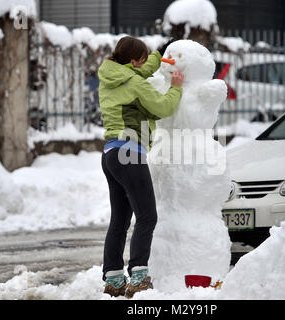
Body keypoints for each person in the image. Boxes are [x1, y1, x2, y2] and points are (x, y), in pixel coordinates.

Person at [98, 36, 184, 298]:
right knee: (147, 217)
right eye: (143, 59)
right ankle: (138, 276)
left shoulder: (111, 74)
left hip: (110, 154)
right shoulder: (134, 82)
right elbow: (163, 107)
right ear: (134, 61)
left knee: (120, 220)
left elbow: (141, 70)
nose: (146, 65)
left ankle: (113, 279)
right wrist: (176, 86)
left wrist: (157, 54)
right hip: (130, 154)